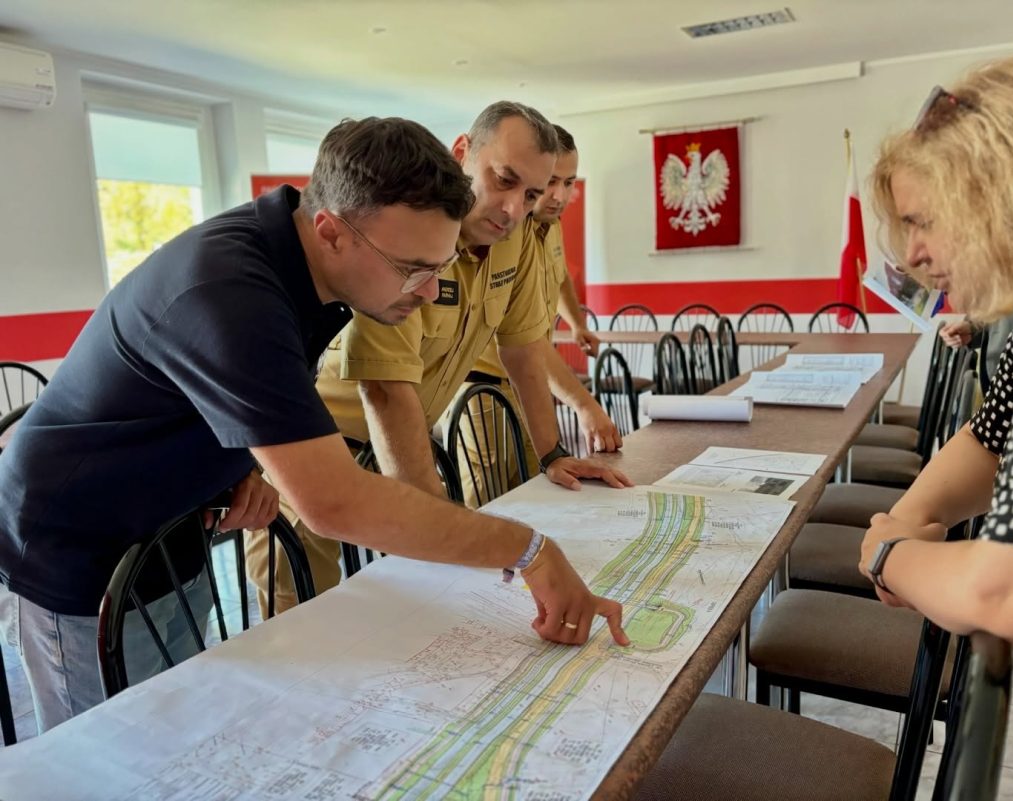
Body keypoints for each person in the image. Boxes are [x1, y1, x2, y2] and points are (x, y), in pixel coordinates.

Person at [0, 117, 628, 734]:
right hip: (75, 545)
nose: (432, 289)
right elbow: (331, 501)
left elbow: (226, 392)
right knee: (108, 749)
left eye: (438, 265)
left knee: (175, 721)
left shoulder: (317, 264)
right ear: (331, 231)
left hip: (170, 528)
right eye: (414, 267)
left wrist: (242, 464)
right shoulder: (231, 292)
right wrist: (530, 550)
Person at [246, 102, 629, 613]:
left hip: (404, 445)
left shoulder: (511, 241)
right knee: (303, 621)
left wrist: (552, 452)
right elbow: (384, 388)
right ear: (463, 153)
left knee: (401, 617)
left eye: (532, 194)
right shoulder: (405, 234)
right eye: (503, 179)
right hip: (318, 449)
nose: (515, 208)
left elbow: (521, 347)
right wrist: (449, 535)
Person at [858, 56, 1013, 657]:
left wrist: (891, 555)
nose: (914, 254)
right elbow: (991, 437)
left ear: (1007, 196)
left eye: (923, 222)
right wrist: (907, 518)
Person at [462, 123, 617, 489]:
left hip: (527, 379)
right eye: (550, 182)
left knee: (537, 478)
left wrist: (577, 324)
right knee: (491, 489)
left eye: (569, 183)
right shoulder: (506, 229)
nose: (558, 195)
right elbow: (524, 341)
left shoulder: (551, 226)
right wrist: (583, 403)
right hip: (484, 381)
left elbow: (560, 277)